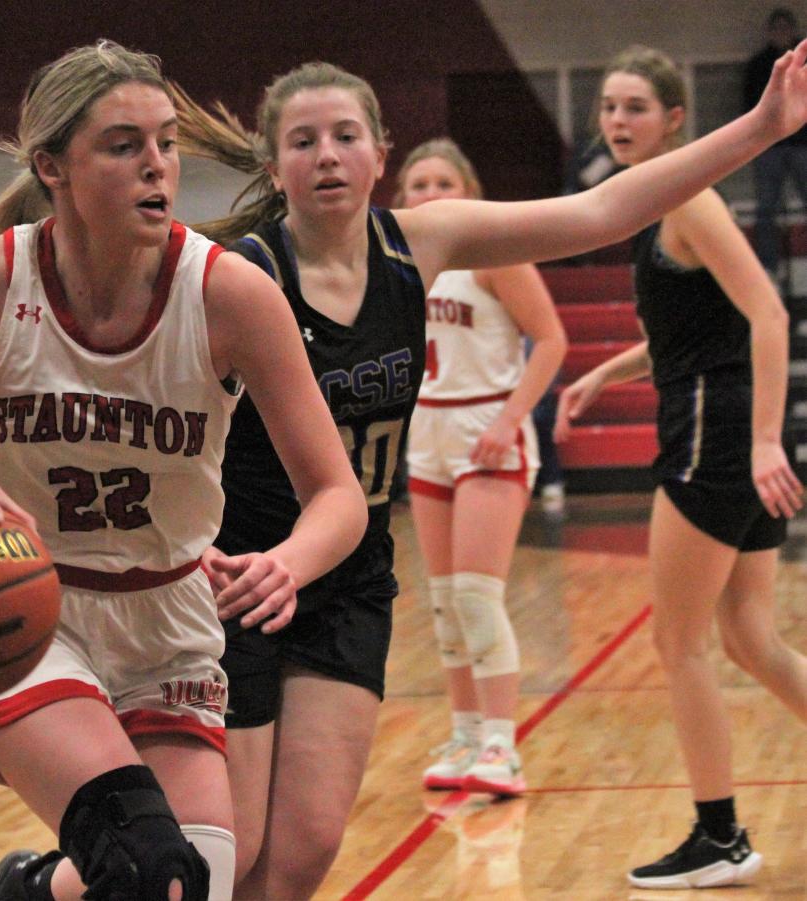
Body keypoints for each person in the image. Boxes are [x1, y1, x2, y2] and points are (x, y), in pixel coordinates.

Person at [171, 40, 807, 898]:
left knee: (305, 851)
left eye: (347, 135)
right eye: (304, 140)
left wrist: (763, 127)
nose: (327, 155)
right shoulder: (240, 273)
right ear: (275, 164)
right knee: (231, 852)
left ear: (381, 154)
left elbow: (602, 213)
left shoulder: (421, 242)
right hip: (247, 575)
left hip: (351, 575)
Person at [0, 41, 368, 901]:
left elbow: (337, 495)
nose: (157, 165)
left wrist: (289, 561)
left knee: (189, 880)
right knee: (141, 858)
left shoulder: (229, 294)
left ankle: (27, 890)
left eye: (166, 142)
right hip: (22, 604)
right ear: (52, 166)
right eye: (123, 145)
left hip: (170, 613)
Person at [556, 45, 806, 890]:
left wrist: (768, 439)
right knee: (749, 637)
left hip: (717, 435)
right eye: (608, 107)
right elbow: (685, 333)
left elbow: (767, 314)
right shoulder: (663, 205)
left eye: (635, 107)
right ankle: (721, 832)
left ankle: (721, 836)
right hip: (728, 426)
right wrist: (602, 373)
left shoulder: (689, 200)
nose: (617, 121)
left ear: (674, 121)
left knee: (679, 640)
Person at [396, 139, 566, 796]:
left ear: (468, 190)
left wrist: (508, 419)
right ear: (400, 199)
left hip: (488, 427)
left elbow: (552, 339)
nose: (431, 195)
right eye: (418, 184)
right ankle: (465, 732)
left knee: (475, 593)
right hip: (428, 431)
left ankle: (502, 742)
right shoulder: (398, 266)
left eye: (444, 182)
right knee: (443, 603)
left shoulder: (498, 252)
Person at [747, 8, 807, 277]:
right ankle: (769, 269)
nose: (782, 33)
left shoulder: (804, 60)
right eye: (777, 28)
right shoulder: (759, 64)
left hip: (802, 144)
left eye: (786, 28)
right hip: (770, 146)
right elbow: (751, 107)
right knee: (766, 208)